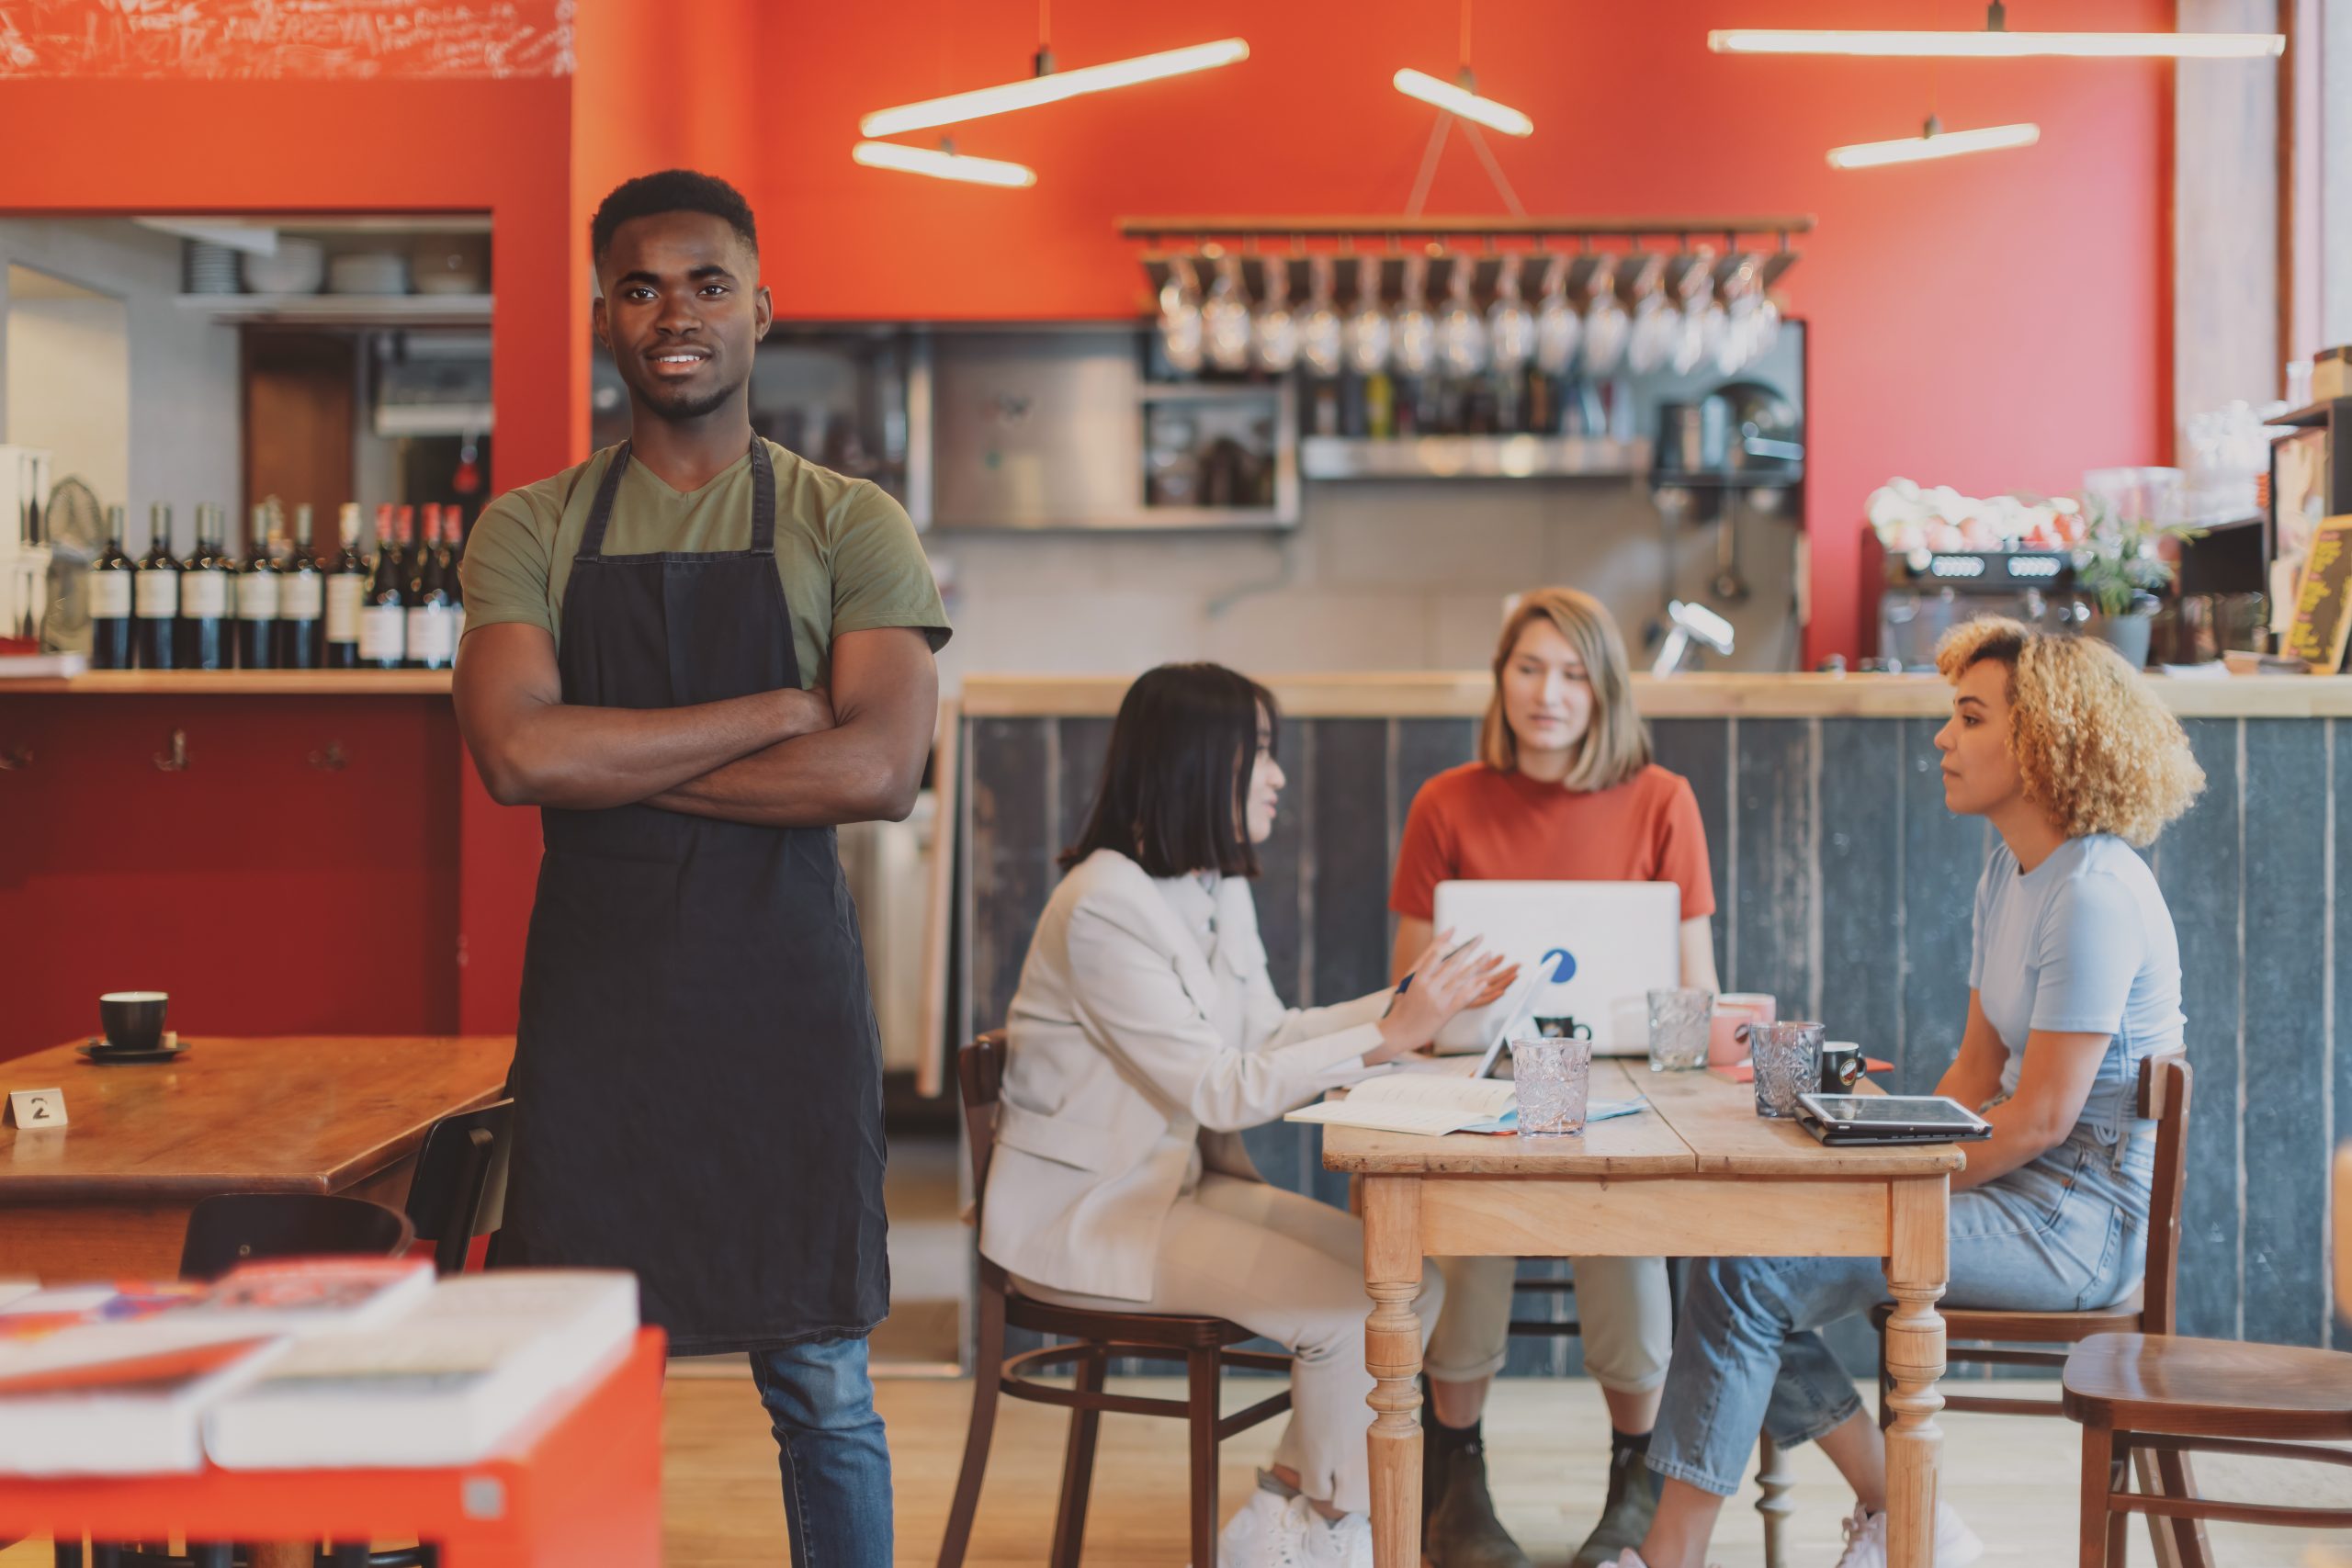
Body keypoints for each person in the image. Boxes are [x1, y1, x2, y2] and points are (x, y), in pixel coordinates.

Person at [452, 169, 951, 1568]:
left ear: (760, 309)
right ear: (607, 315)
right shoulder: (532, 526)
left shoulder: (850, 520)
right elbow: (512, 755)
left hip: (782, 1008)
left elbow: (878, 772)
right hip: (601, 1020)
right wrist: (776, 710)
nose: (676, 313)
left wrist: (609, 757)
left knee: (823, 1384)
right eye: (641, 286)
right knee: (583, 1376)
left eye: (707, 282)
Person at [1600, 617, 2206, 1568]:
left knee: (1745, 1271)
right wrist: (1862, 1150)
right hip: (2016, 1187)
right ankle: (1904, 1516)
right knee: (1723, 1252)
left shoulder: (2093, 892)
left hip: (2073, 1226)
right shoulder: (2010, 870)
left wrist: (1883, 1189)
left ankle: (1673, 1555)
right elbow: (1972, 1075)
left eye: (1969, 717)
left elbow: (2042, 1118)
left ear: (2042, 738)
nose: (1941, 738)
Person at [981, 662, 1517, 1568]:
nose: (1276, 775)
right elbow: (1220, 1088)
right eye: (1260, 752)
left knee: (1405, 1282)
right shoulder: (1102, 905)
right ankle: (1333, 1523)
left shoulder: (1211, 884)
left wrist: (1408, 1004)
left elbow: (1268, 1032)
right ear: (1199, 760)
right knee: (1358, 1309)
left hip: (1172, 1188)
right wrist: (1393, 1034)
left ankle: (1282, 1515)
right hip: (1088, 1212)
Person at [1387, 587, 1719, 1568]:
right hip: (1484, 1079)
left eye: (1573, 673)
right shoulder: (1444, 803)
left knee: (1616, 1212)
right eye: (1529, 668)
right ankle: (1456, 1470)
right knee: (1471, 1208)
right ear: (1501, 681)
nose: (1548, 693)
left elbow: (1693, 988)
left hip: (1620, 1086)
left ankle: (1636, 1471)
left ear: (1605, 690)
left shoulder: (1662, 800)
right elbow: (1416, 988)